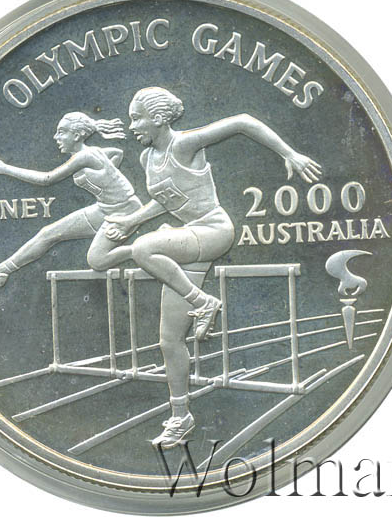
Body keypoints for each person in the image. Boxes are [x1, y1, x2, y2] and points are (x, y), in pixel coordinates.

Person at [87, 87, 322, 448]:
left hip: (214, 232)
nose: (132, 126)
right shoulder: (147, 157)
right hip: (188, 241)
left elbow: (243, 122)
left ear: (158, 118)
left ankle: (203, 302)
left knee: (146, 248)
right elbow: (164, 201)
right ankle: (181, 417)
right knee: (169, 340)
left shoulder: (184, 145)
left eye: (137, 118)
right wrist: (132, 220)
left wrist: (289, 153)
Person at [0, 112, 141, 286]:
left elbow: (47, 179)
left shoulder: (84, 157)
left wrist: (4, 168)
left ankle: (140, 249)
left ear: (76, 135)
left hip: (126, 212)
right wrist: (107, 179)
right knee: (48, 233)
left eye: (61, 132)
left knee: (97, 260)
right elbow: (117, 153)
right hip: (105, 209)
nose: (56, 137)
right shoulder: (95, 153)